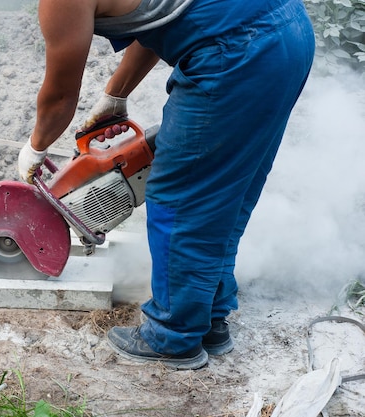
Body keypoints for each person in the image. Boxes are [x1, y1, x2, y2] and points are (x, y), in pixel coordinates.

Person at [18, 0, 315, 370]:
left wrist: (36, 147)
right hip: (287, 31)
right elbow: (162, 16)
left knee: (181, 196)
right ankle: (208, 318)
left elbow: (61, 96)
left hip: (237, 49)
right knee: (225, 192)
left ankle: (172, 336)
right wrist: (115, 95)